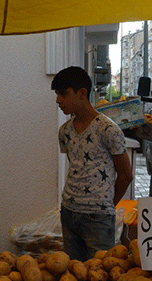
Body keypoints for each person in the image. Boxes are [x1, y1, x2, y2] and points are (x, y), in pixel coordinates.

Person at [53, 66, 134, 261]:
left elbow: (126, 176)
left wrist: (106, 205)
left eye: (63, 94)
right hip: (69, 212)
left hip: (98, 218)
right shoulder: (64, 131)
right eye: (56, 94)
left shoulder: (108, 130)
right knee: (73, 273)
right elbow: (77, 166)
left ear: (82, 93)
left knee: (99, 275)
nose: (58, 100)